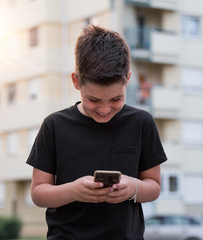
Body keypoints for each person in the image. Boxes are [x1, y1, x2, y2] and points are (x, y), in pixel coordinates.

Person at [26, 25, 167, 240]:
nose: (104, 109)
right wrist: (73, 191)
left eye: (116, 99)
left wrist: (132, 188)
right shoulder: (54, 126)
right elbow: (38, 193)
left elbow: (154, 186)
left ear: (127, 80)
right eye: (93, 100)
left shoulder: (142, 123)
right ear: (76, 81)